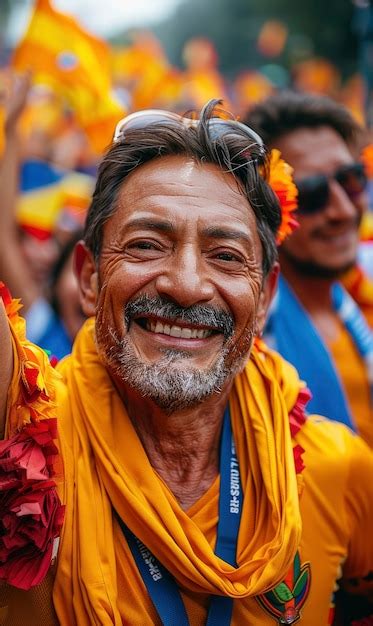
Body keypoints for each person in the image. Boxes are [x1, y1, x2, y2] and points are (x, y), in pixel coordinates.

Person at [0, 100, 373, 626]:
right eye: (148, 245)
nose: (187, 285)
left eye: (225, 255)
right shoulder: (22, 434)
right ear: (87, 277)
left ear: (264, 297)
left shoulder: (340, 467)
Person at [249, 91, 373, 446]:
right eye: (312, 194)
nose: (344, 211)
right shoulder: (251, 341)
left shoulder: (354, 306)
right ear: (267, 210)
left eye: (350, 180)